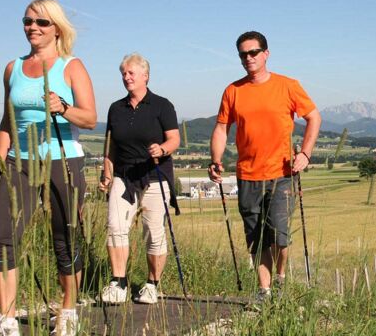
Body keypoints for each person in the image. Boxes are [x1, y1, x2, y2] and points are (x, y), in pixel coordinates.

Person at [0, 0, 97, 336]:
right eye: (27, 21)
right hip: (20, 161)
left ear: (57, 28)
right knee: (4, 239)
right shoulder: (12, 68)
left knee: (64, 239)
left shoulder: (71, 66)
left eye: (41, 22)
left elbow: (90, 118)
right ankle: (6, 321)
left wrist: (63, 107)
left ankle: (68, 310)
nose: (32, 27)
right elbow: (7, 119)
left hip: (62, 159)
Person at [208, 31, 321, 304]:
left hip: (282, 174)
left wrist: (305, 153)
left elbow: (313, 117)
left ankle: (280, 278)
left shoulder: (288, 85)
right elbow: (222, 128)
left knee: (280, 236)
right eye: (243, 54)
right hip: (247, 175)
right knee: (256, 238)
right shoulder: (233, 90)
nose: (248, 58)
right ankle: (264, 291)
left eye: (253, 53)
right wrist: (215, 159)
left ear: (266, 54)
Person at [98, 53, 180, 305]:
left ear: (146, 76)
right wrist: (107, 172)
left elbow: (174, 138)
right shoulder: (115, 108)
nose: (126, 77)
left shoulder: (162, 105)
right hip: (124, 175)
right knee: (115, 226)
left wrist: (162, 149)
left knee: (153, 232)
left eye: (131, 73)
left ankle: (152, 284)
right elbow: (110, 146)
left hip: (155, 175)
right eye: (123, 73)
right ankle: (118, 283)